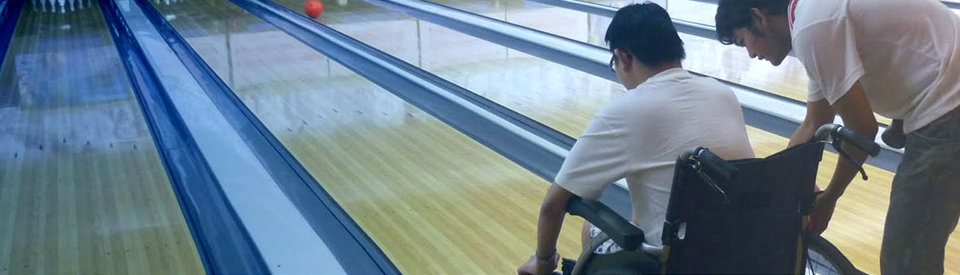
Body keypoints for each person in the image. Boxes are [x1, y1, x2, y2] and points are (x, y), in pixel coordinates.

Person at [715, 0, 960, 273]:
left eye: (742, 41)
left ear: (758, 18)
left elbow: (861, 131)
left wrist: (829, 198)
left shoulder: (813, 28)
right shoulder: (810, 18)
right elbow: (813, 124)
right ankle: (900, 126)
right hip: (945, 84)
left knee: (905, 259)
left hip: (950, 102)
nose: (749, 54)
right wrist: (781, 187)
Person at [517, 3, 755, 274]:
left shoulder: (623, 112)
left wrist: (543, 261)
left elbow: (552, 205)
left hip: (677, 262)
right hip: (745, 251)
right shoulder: (721, 92)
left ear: (623, 57)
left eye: (614, 63)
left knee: (592, 228)